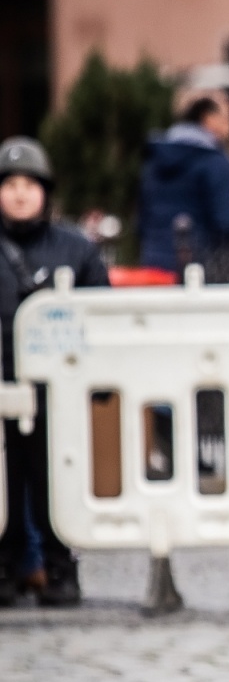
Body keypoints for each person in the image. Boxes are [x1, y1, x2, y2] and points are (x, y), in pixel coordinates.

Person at [0, 137, 108, 606]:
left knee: (53, 484)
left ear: (45, 191)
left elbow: (102, 319)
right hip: (2, 387)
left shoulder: (76, 249)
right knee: (4, 483)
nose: (20, 193)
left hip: (56, 396)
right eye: (10, 184)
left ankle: (59, 567)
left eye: (29, 184)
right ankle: (8, 568)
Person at [138, 89, 229, 273]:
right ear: (208, 118)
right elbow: (228, 223)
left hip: (153, 266)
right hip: (198, 269)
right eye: (227, 119)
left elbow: (142, 219)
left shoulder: (156, 160)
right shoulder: (215, 162)